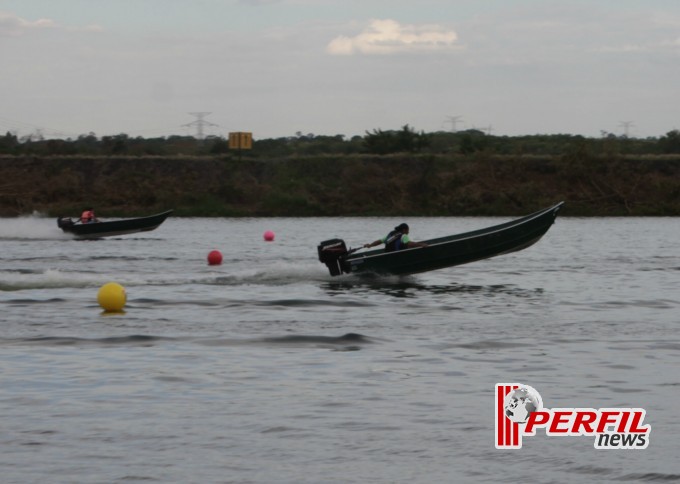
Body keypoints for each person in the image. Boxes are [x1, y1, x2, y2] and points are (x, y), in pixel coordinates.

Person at [363, 223, 428, 252]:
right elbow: (410, 244)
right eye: (408, 230)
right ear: (404, 230)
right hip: (396, 257)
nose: (408, 232)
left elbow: (379, 241)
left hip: (387, 256)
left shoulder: (391, 235)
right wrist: (421, 245)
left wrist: (370, 245)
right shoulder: (403, 236)